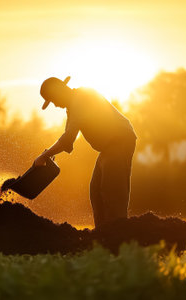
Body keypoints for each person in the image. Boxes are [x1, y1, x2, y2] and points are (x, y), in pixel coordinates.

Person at [34, 76, 137, 229]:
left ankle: (117, 237)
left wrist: (44, 155)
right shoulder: (73, 107)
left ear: (59, 92)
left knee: (111, 191)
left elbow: (67, 139)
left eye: (53, 100)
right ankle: (102, 235)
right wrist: (50, 152)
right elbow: (67, 143)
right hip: (109, 148)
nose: (55, 105)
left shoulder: (81, 99)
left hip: (120, 142)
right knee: (95, 192)